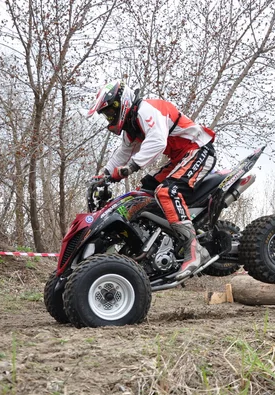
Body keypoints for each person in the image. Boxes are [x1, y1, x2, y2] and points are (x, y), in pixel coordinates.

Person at [87, 81, 216, 279]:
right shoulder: (132, 126)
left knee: (167, 192)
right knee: (142, 192)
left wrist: (131, 168)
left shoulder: (146, 110)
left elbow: (157, 140)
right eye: (106, 114)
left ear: (121, 103)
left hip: (198, 150)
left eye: (109, 112)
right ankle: (163, 237)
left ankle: (193, 248)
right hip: (180, 159)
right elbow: (123, 153)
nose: (109, 117)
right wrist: (104, 175)